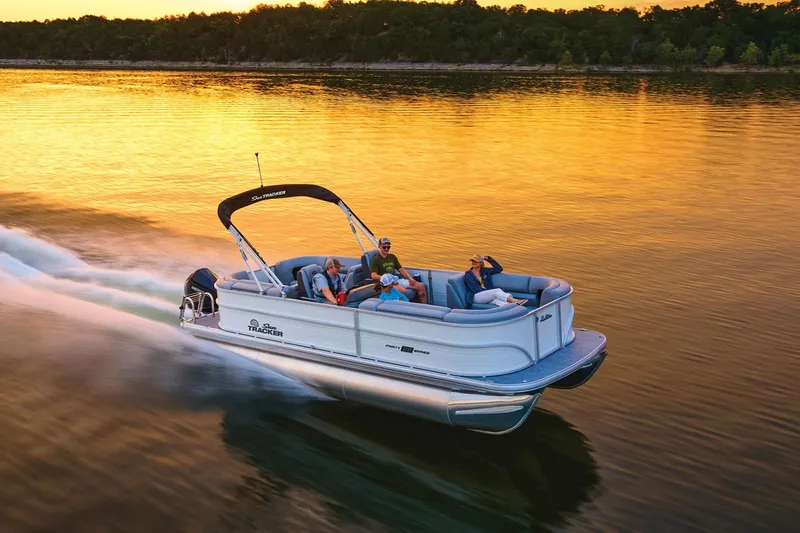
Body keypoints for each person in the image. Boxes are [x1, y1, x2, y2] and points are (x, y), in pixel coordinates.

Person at [369, 236, 427, 304]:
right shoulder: (375, 260)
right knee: (403, 291)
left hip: (397, 280)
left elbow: (401, 270)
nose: (386, 249)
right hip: (387, 284)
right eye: (384, 247)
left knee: (420, 286)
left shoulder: (392, 257)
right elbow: (373, 275)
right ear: (379, 246)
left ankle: (424, 306)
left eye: (388, 247)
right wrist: (388, 279)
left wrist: (410, 278)